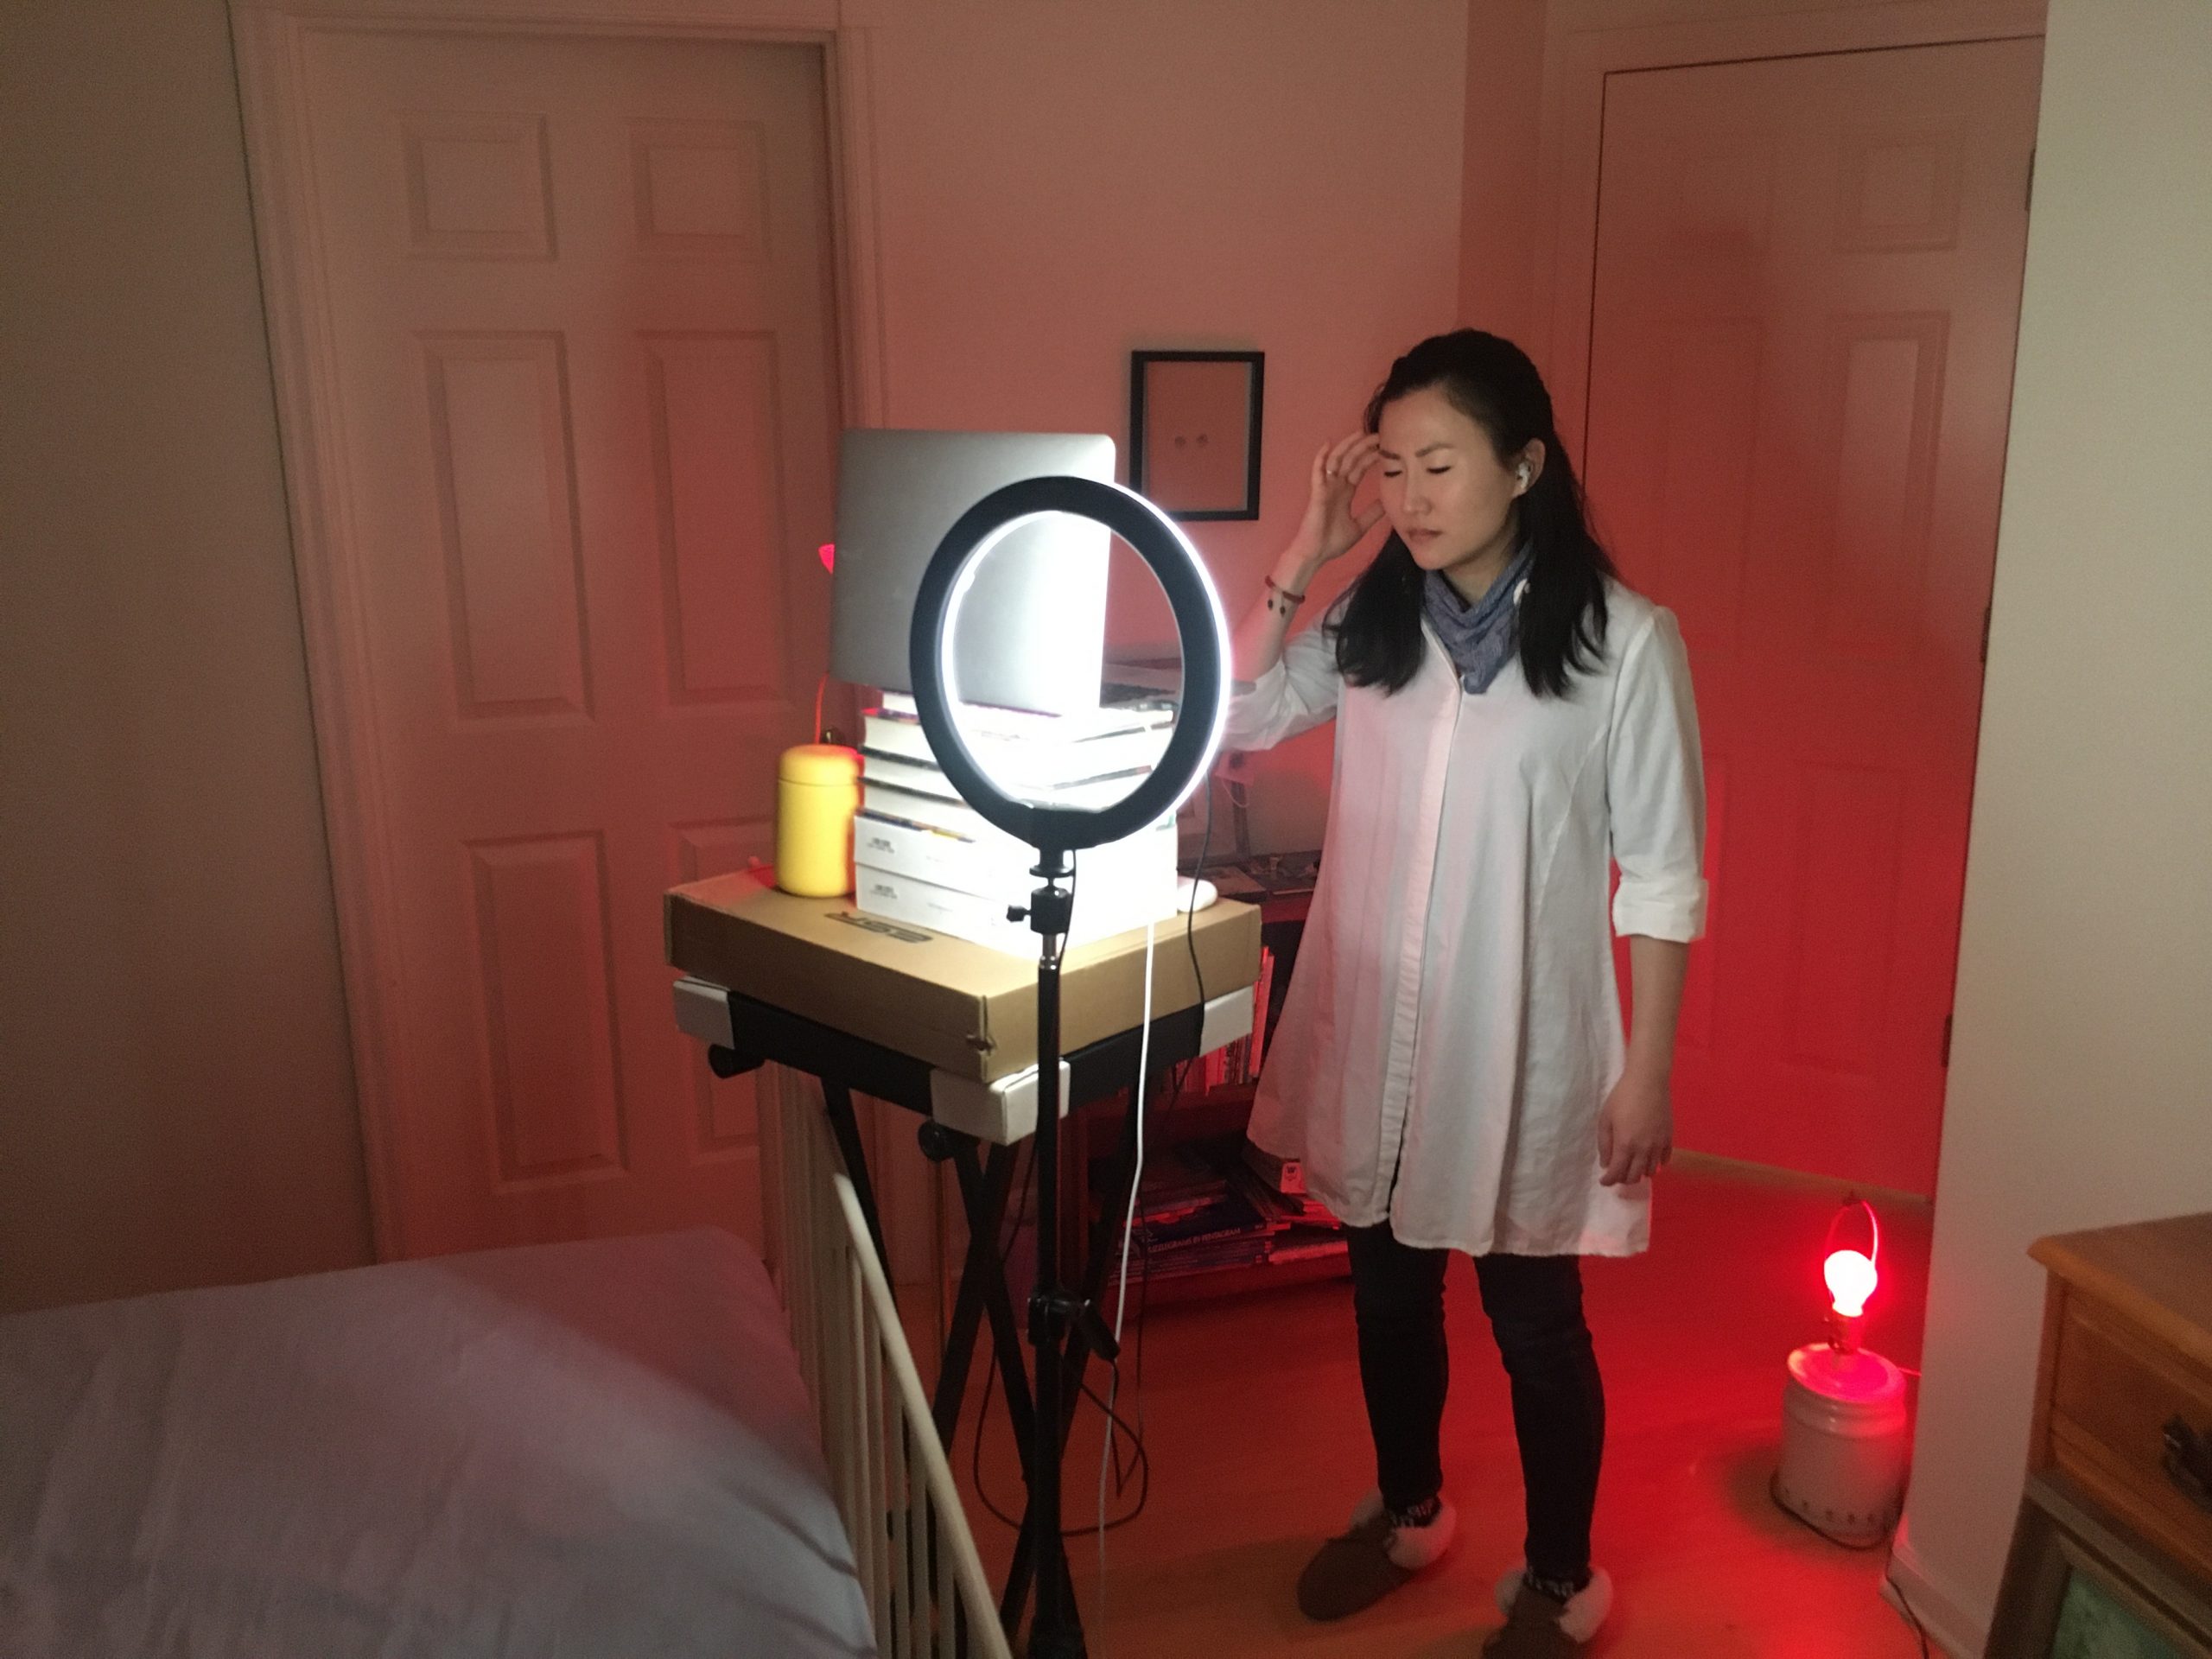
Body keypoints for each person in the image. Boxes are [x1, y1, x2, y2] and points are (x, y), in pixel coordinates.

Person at [1224, 329, 1706, 1656]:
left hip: (1522, 1044)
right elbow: (1238, 718)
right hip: (1376, 1027)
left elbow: (1664, 875)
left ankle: (1561, 1581)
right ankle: (1408, 1512)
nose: (1412, 497)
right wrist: (1307, 552)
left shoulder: (1624, 644)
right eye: (1392, 469)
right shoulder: (1374, 622)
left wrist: (1649, 1070)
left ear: (1525, 465)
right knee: (1386, 1292)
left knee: (1534, 1322)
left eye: (1439, 465)